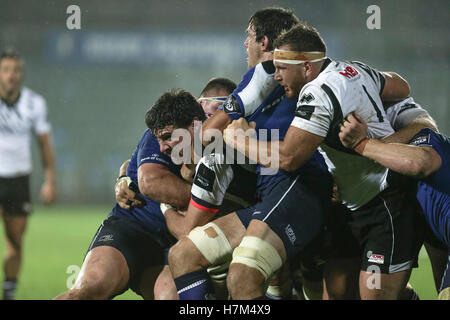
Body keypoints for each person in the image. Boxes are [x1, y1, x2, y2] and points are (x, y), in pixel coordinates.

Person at [223, 23, 421, 299]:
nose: (276, 77)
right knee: (337, 292)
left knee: (374, 295)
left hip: (386, 201)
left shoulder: (317, 93)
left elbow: (290, 157)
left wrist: (238, 140)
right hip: (353, 205)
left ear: (307, 68)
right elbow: (401, 86)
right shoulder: (352, 69)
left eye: (282, 68)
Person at [167, 8, 333, 300]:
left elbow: (207, 136)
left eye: (249, 36)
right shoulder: (298, 78)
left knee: (242, 277)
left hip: (297, 188)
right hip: (271, 196)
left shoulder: (264, 73)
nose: (245, 44)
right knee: (182, 256)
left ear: (264, 42)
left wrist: (229, 137)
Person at [54, 89, 200, 300]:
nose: (162, 147)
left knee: (173, 297)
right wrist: (209, 199)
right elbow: (150, 181)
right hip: (133, 229)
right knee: (89, 289)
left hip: (174, 248)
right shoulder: (158, 133)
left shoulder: (223, 143)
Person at [338, 100, 450, 300]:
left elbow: (420, 161)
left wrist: (361, 144)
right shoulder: (410, 197)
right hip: (434, 230)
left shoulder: (421, 141)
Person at [0, 49, 56, 300]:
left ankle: (8, 293)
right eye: (6, 69)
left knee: (15, 241)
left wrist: (49, 180)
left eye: (16, 70)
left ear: (22, 74)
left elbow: (44, 144)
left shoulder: (34, 103)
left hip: (18, 181)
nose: (12, 75)